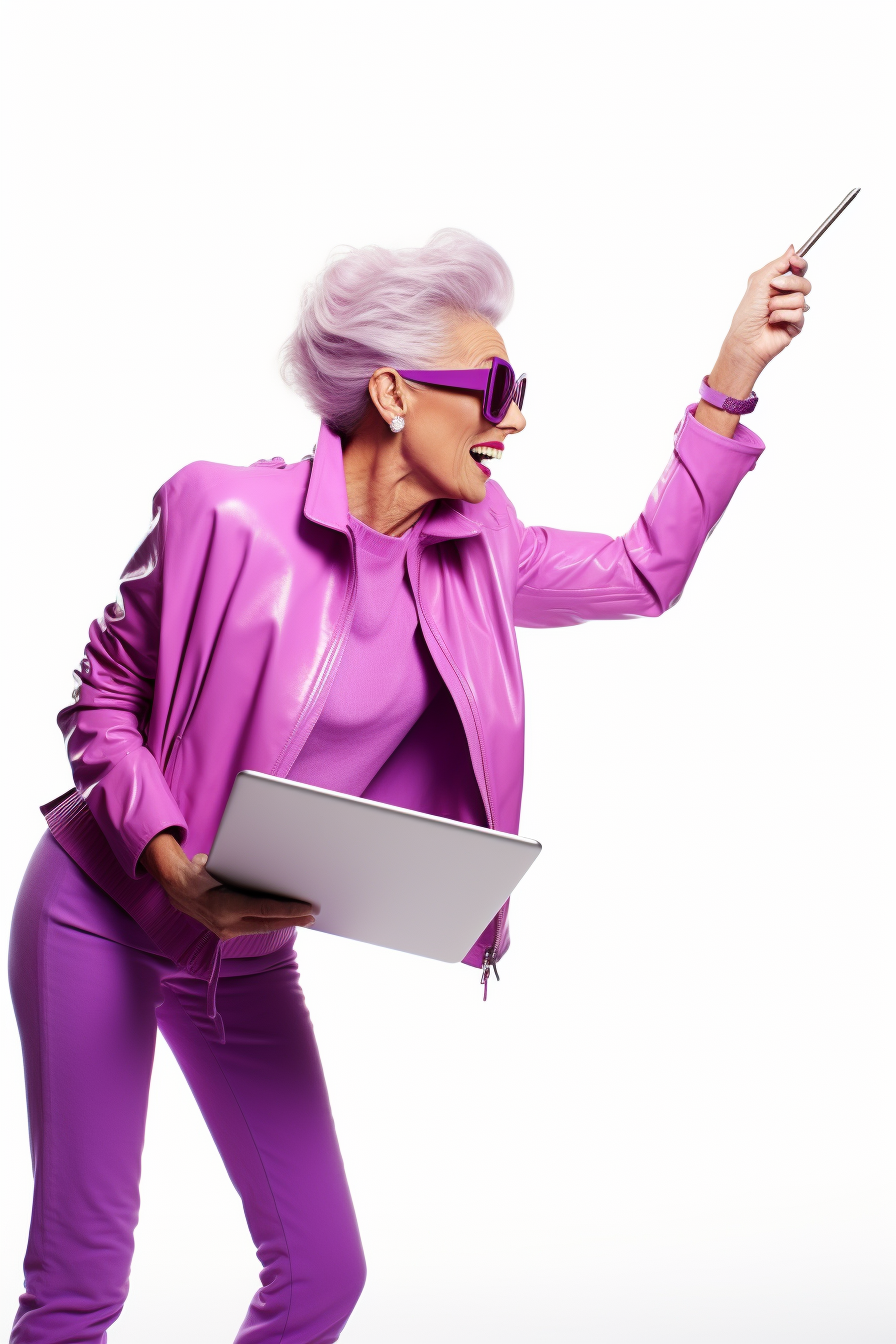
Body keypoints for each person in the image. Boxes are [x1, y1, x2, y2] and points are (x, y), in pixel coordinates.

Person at [8, 227, 810, 1343]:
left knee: (322, 1277)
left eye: (515, 391)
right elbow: (101, 698)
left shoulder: (478, 545)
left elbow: (638, 573)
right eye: (491, 389)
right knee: (84, 1282)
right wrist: (171, 862)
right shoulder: (219, 510)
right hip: (104, 907)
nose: (514, 419)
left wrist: (729, 381)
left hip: (246, 941)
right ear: (391, 393)